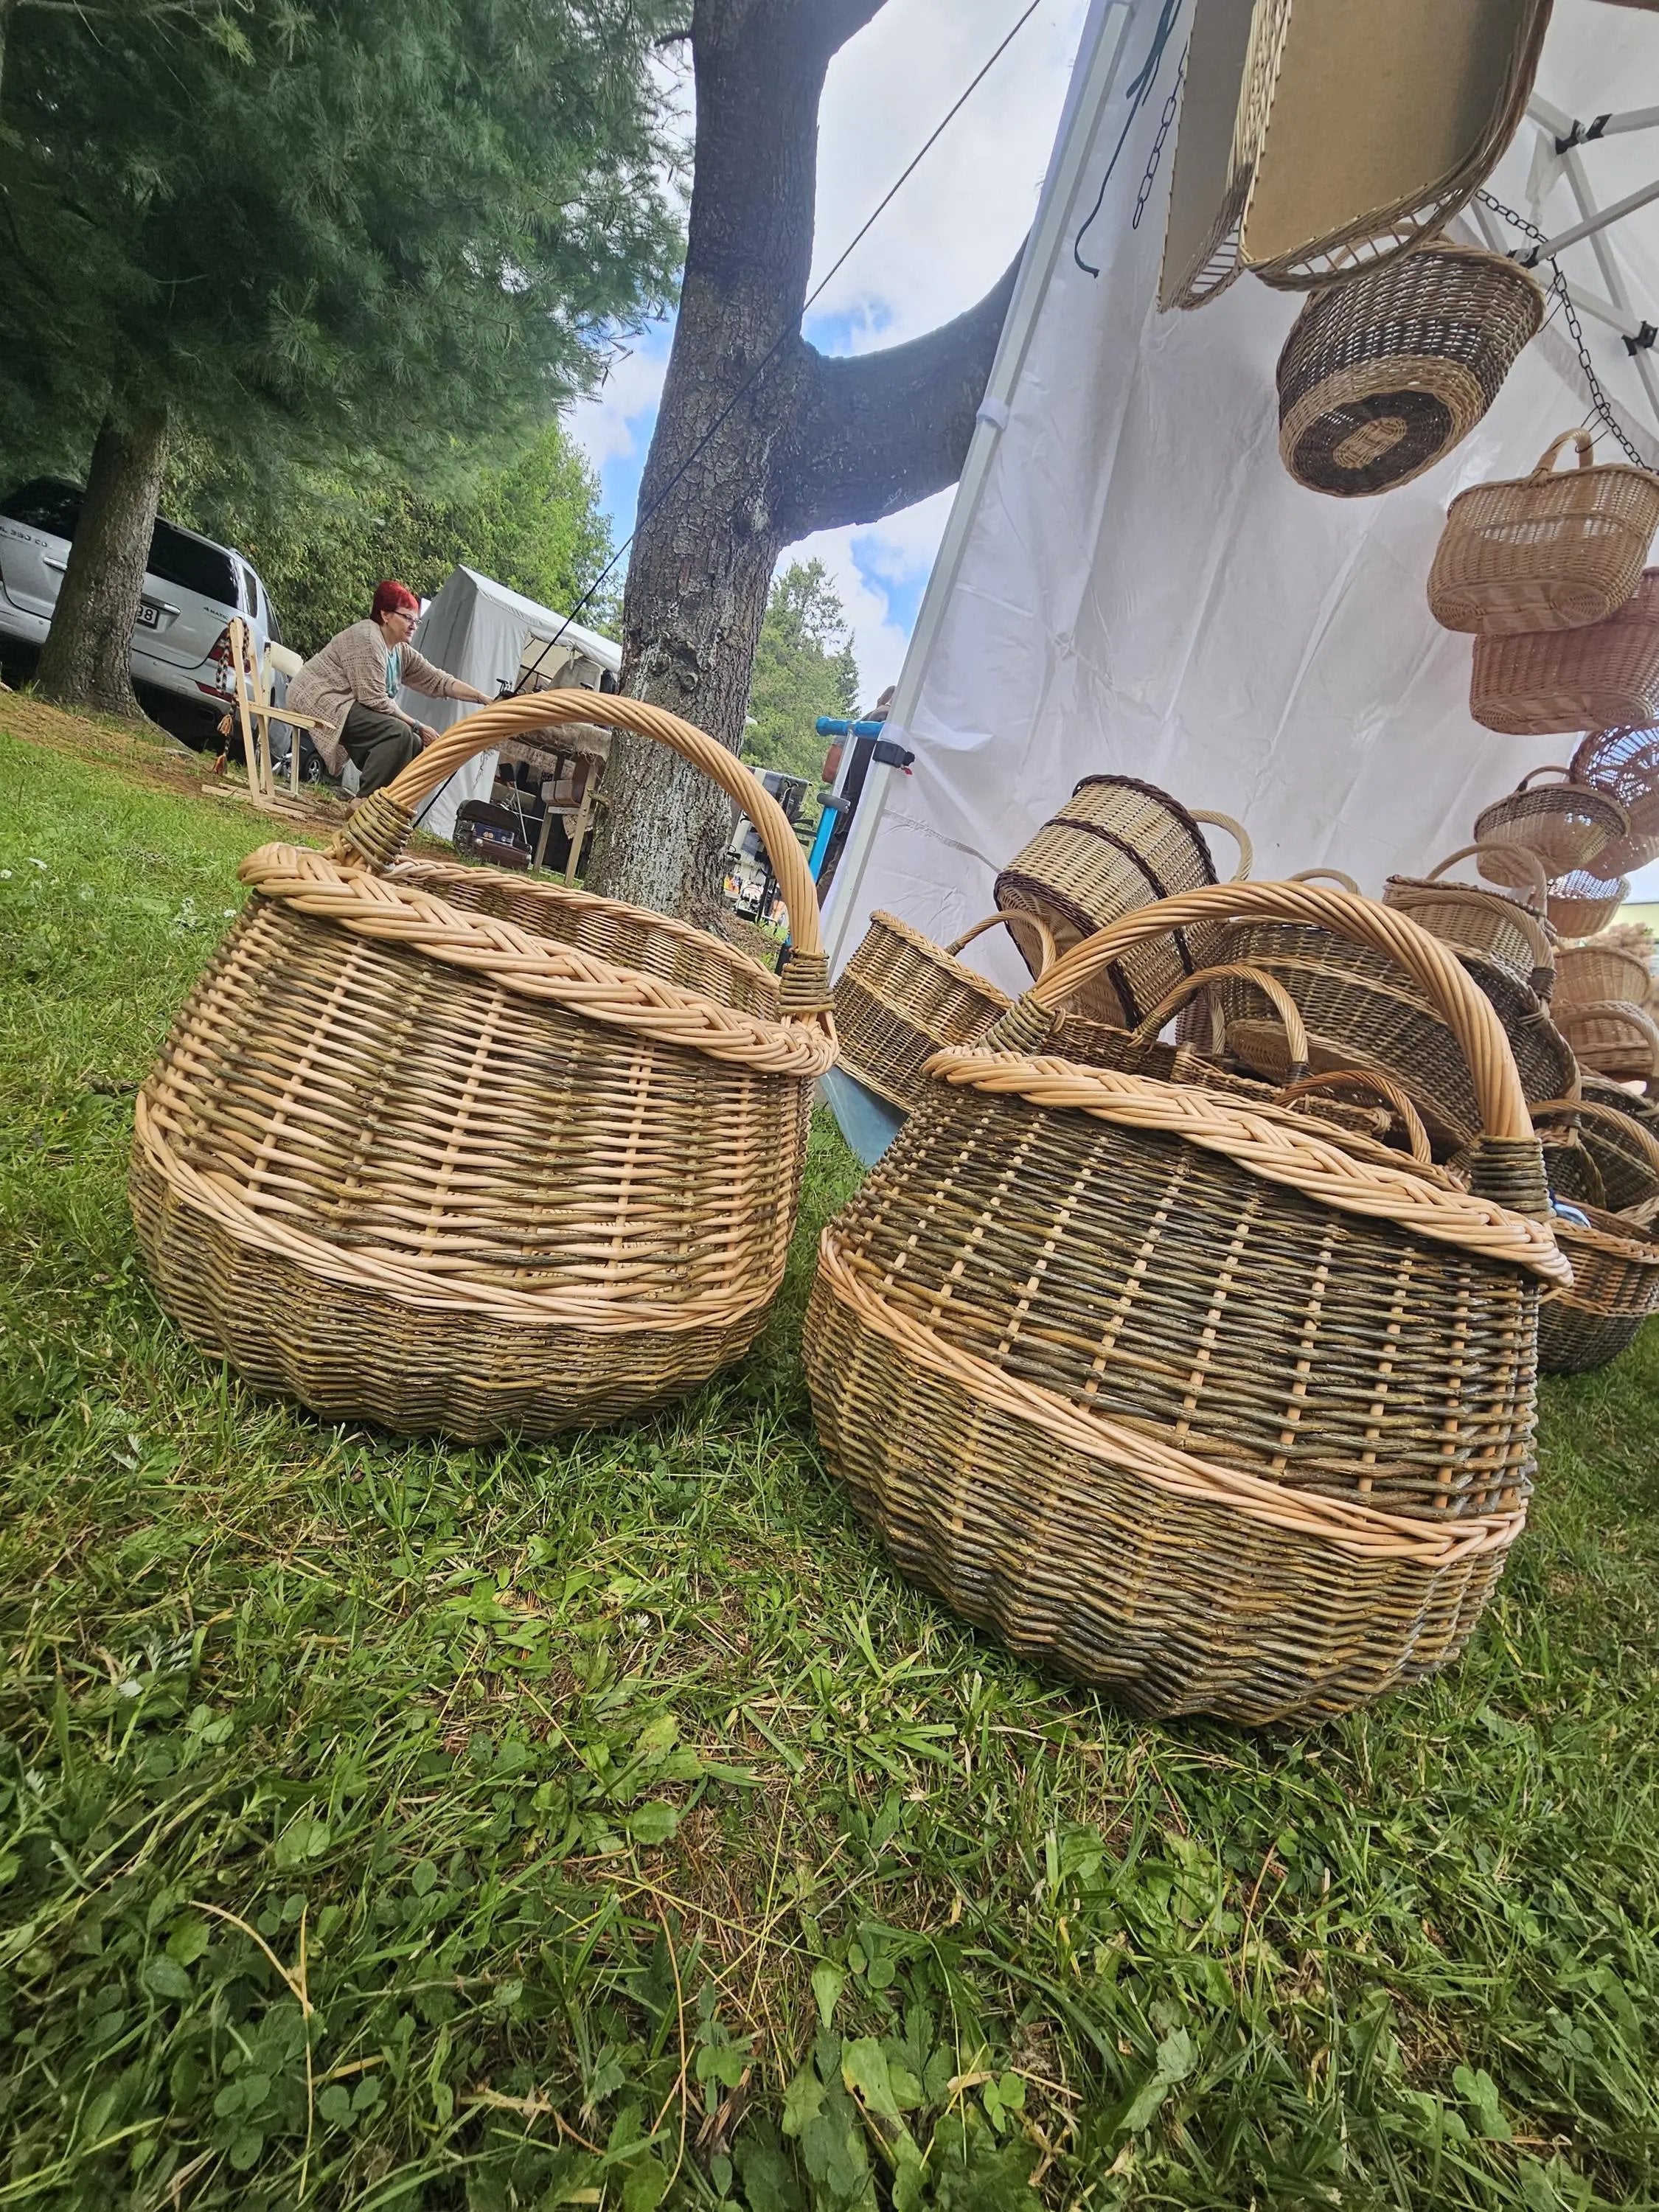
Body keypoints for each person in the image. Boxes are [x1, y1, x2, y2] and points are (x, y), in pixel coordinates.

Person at [283, 580, 491, 793]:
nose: (413, 625)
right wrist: (418, 726)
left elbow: (439, 680)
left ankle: (387, 800)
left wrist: (482, 698)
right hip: (319, 698)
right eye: (407, 618)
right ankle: (365, 799)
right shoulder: (367, 637)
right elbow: (374, 700)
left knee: (414, 742)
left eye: (416, 621)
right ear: (385, 615)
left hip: (349, 704)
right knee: (398, 733)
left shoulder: (400, 650)